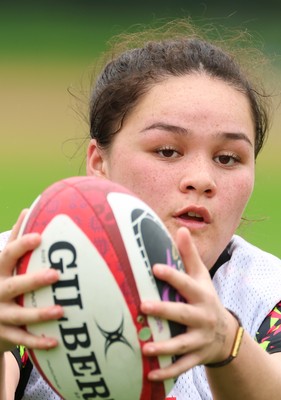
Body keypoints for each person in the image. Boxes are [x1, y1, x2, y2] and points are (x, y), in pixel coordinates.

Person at [0, 17, 281, 399]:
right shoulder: (22, 269)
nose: (201, 179)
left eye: (228, 158)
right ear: (99, 164)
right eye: (167, 151)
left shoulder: (266, 293)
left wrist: (226, 344)